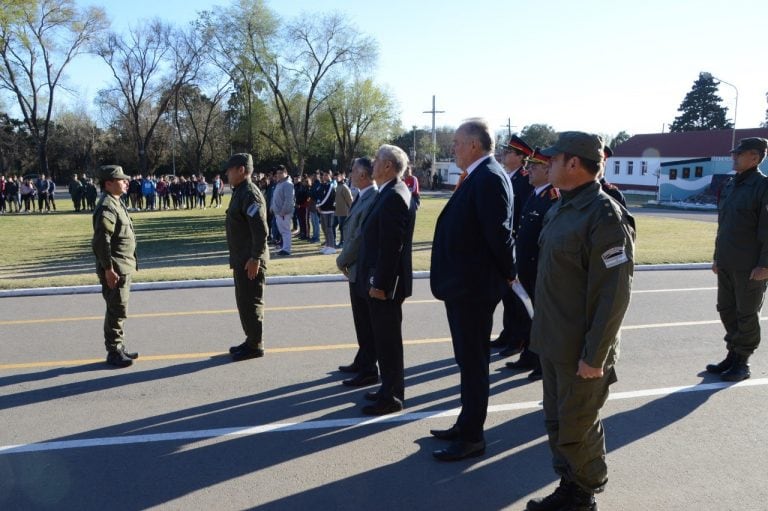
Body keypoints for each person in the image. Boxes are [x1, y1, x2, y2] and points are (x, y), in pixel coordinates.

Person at [526, 132, 635, 511]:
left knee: (577, 426)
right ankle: (569, 488)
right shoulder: (563, 207)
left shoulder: (603, 215)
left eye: (553, 160)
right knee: (557, 424)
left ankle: (584, 495)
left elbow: (614, 293)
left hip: (581, 349)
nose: (545, 165)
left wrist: (596, 355)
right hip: (554, 341)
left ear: (573, 163)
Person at [429, 119, 515, 461]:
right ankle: (465, 425)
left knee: (474, 362)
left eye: (457, 143)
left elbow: (500, 235)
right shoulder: (479, 176)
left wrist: (509, 274)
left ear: (475, 145)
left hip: (474, 289)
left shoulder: (490, 177)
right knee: (467, 361)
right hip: (464, 286)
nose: (454, 149)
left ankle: (472, 437)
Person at [355, 144, 416, 416]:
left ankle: (392, 396)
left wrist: (379, 284)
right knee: (383, 340)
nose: (373, 164)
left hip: (385, 286)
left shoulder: (394, 195)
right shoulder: (389, 191)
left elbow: (392, 246)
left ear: (389, 166)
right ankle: (387, 389)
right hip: (379, 281)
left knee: (389, 342)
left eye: (378, 160)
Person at [707, 137, 768, 382]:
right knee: (726, 309)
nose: (734, 157)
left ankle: (742, 362)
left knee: (746, 313)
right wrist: (716, 257)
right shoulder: (732, 185)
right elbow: (724, 227)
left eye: (739, 154)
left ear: (755, 157)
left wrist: (765, 265)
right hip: (728, 262)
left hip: (750, 267)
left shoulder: (763, 187)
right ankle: (732, 354)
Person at [504, 148, 560, 381]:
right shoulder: (535, 194)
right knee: (528, 315)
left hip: (538, 270)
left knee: (541, 319)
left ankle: (541, 362)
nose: (528, 171)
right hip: (525, 267)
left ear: (548, 171)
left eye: (535, 167)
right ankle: (528, 354)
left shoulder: (552, 199)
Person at [335, 157, 380, 387]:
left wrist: (341, 260)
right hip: (355, 268)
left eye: (353, 170)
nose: (350, 174)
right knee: (360, 321)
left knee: (366, 322)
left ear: (363, 175)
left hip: (361, 268)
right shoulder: (362, 195)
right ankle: (362, 359)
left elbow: (359, 237)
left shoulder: (372, 197)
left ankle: (369, 368)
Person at [91, 165, 140, 368]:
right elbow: (101, 241)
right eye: (121, 179)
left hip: (122, 266)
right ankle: (113, 351)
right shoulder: (107, 206)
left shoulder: (116, 202)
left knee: (119, 308)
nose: (126, 182)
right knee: (116, 309)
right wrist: (108, 269)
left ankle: (119, 347)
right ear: (108, 183)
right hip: (116, 268)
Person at [492, 134, 535, 358]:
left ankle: (519, 338)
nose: (505, 154)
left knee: (518, 297)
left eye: (509, 152)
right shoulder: (507, 176)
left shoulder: (526, 180)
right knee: (507, 295)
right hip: (508, 245)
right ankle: (508, 333)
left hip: (518, 243)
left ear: (520, 157)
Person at [225, 153, 270, 362]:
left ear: (241, 170)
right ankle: (251, 339)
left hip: (250, 260)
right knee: (244, 302)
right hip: (242, 258)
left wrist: (255, 258)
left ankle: (256, 344)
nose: (227, 173)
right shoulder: (240, 192)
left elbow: (260, 231)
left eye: (230, 169)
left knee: (251, 301)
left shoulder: (250, 194)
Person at [271, 165, 295, 256]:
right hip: (278, 212)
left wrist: (283, 211)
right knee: (283, 232)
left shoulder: (288, 184)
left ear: (286, 173)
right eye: (278, 173)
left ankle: (286, 250)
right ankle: (284, 247)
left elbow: (289, 200)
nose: (279, 175)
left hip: (284, 213)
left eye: (281, 173)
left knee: (285, 231)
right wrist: (272, 207)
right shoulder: (280, 183)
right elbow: (275, 197)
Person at [316, 170, 337, 254]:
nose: (325, 177)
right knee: (324, 228)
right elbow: (319, 195)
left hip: (329, 210)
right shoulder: (323, 185)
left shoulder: (332, 185)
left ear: (330, 175)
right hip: (323, 210)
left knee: (329, 229)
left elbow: (326, 197)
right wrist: (318, 204)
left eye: (326, 175)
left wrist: (318, 205)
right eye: (324, 175)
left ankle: (332, 247)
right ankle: (328, 245)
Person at [334, 171, 353, 248]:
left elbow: (350, 200)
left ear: (342, 177)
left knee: (343, 229)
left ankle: (343, 242)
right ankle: (337, 241)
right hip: (338, 212)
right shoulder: (337, 187)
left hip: (344, 212)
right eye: (335, 176)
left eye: (338, 176)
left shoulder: (345, 187)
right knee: (337, 227)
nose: (336, 178)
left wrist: (350, 211)